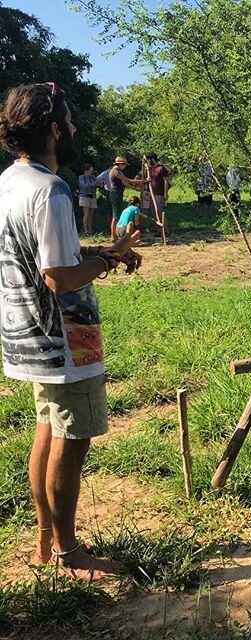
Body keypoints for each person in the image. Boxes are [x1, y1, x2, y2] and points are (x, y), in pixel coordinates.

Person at [0, 82, 142, 578]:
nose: (77, 128)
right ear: (55, 130)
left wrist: (104, 252)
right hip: (65, 339)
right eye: (70, 120)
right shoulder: (52, 190)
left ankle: (44, 539)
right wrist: (107, 260)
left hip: (25, 335)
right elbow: (59, 278)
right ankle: (68, 551)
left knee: (47, 429)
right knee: (71, 439)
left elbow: (48, 259)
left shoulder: (10, 182)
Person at [108, 156, 146, 242]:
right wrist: (143, 181)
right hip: (115, 193)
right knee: (115, 215)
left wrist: (135, 189)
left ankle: (115, 235)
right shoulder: (115, 172)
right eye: (124, 165)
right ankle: (113, 236)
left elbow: (124, 183)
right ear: (120, 164)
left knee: (117, 214)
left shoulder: (119, 172)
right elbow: (128, 180)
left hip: (118, 193)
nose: (125, 167)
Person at [145, 153, 170, 219]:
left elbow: (166, 181)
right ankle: (157, 228)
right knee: (153, 212)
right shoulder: (150, 169)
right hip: (151, 194)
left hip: (159, 194)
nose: (148, 161)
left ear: (152, 159)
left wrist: (165, 193)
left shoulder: (161, 168)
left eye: (148, 160)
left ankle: (163, 227)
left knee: (159, 212)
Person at [78, 163, 98, 235]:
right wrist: (94, 184)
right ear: (86, 171)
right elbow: (83, 186)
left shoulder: (93, 177)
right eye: (90, 171)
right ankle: (85, 230)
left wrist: (99, 184)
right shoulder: (81, 177)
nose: (92, 172)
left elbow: (97, 184)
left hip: (92, 196)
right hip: (84, 196)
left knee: (91, 214)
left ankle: (90, 230)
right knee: (86, 214)